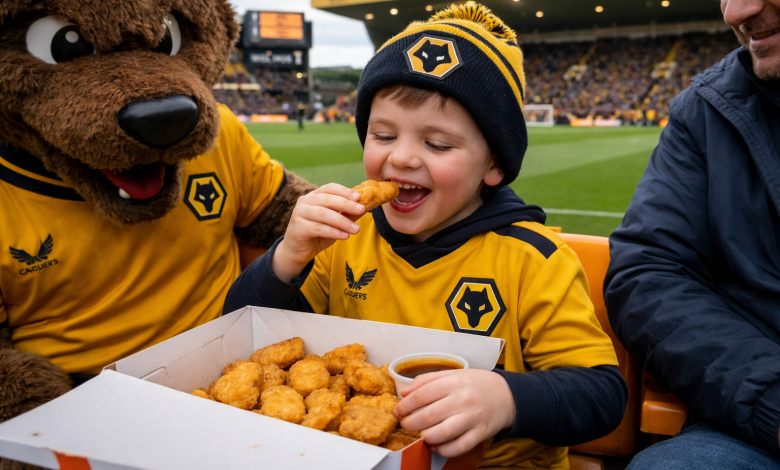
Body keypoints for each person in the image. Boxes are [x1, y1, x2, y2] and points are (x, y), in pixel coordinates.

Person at [224, 4, 626, 469]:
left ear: (493, 164)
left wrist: (508, 399)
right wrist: (286, 259)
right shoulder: (344, 240)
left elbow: (601, 394)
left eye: (437, 144)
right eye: (382, 135)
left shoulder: (534, 260)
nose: (403, 159)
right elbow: (245, 348)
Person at [605, 1, 780, 468]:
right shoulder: (705, 111)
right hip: (755, 417)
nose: (736, 11)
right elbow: (647, 274)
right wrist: (770, 397)